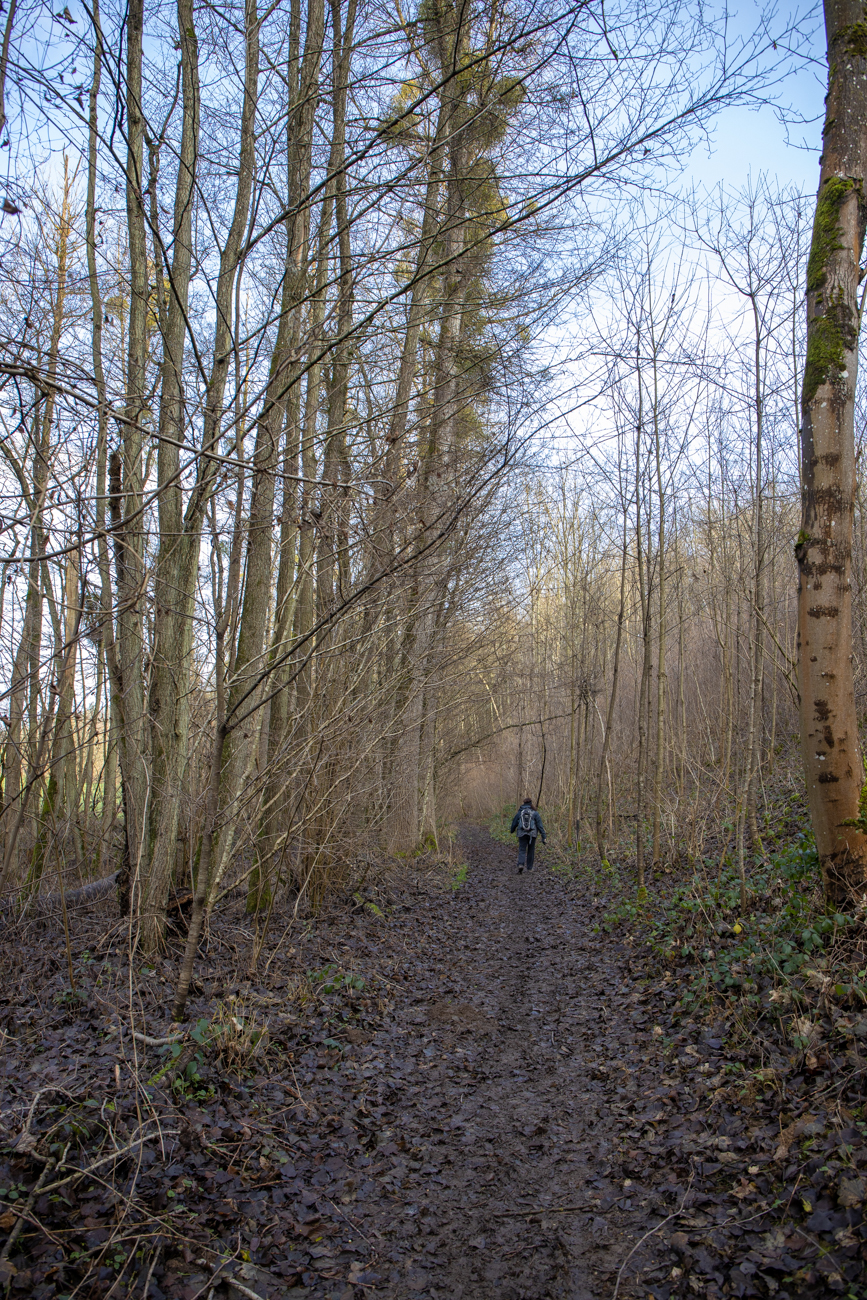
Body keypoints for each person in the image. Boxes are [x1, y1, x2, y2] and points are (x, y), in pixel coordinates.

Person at [509, 798, 547, 873]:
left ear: (523, 803)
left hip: (521, 833)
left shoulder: (520, 812)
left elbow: (514, 822)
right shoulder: (535, 813)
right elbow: (540, 826)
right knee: (531, 850)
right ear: (531, 803)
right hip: (532, 834)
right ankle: (529, 868)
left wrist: (512, 830)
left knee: (522, 849)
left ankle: (521, 864)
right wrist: (543, 836)